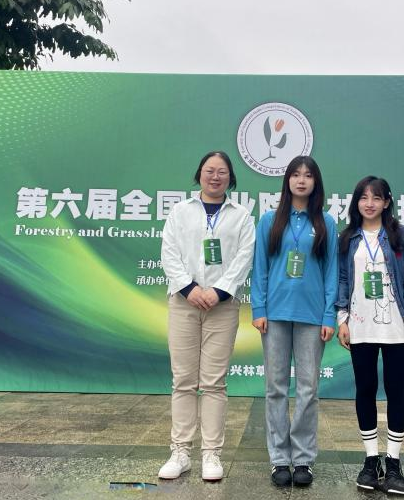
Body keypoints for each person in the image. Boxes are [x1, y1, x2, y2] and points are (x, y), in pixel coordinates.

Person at [158, 151, 255, 481]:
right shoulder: (180, 211)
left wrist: (220, 291)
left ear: (231, 178)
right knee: (183, 380)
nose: (215, 177)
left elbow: (244, 257)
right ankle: (180, 452)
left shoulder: (241, 216)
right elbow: (169, 253)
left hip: (222, 307)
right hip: (184, 303)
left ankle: (211, 454)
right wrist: (189, 288)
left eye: (222, 172)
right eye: (209, 171)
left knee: (214, 383)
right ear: (199, 174)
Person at [251, 155, 338, 487]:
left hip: (312, 316)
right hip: (274, 315)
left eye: (308, 175)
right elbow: (260, 267)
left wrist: (329, 314)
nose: (302, 180)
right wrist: (259, 309)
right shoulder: (269, 220)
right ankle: (279, 459)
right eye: (296, 174)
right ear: (287, 180)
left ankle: (302, 458)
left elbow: (332, 270)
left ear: (316, 182)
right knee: (275, 387)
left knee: (307, 389)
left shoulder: (325, 222)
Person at [335, 176, 404, 495]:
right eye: (363, 197)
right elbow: (343, 280)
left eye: (376, 198)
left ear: (386, 202)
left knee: (395, 389)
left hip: (397, 324)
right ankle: (371, 461)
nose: (369, 203)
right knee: (365, 389)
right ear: (356, 202)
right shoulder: (348, 238)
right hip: (360, 325)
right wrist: (342, 319)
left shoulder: (400, 235)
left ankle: (394, 463)